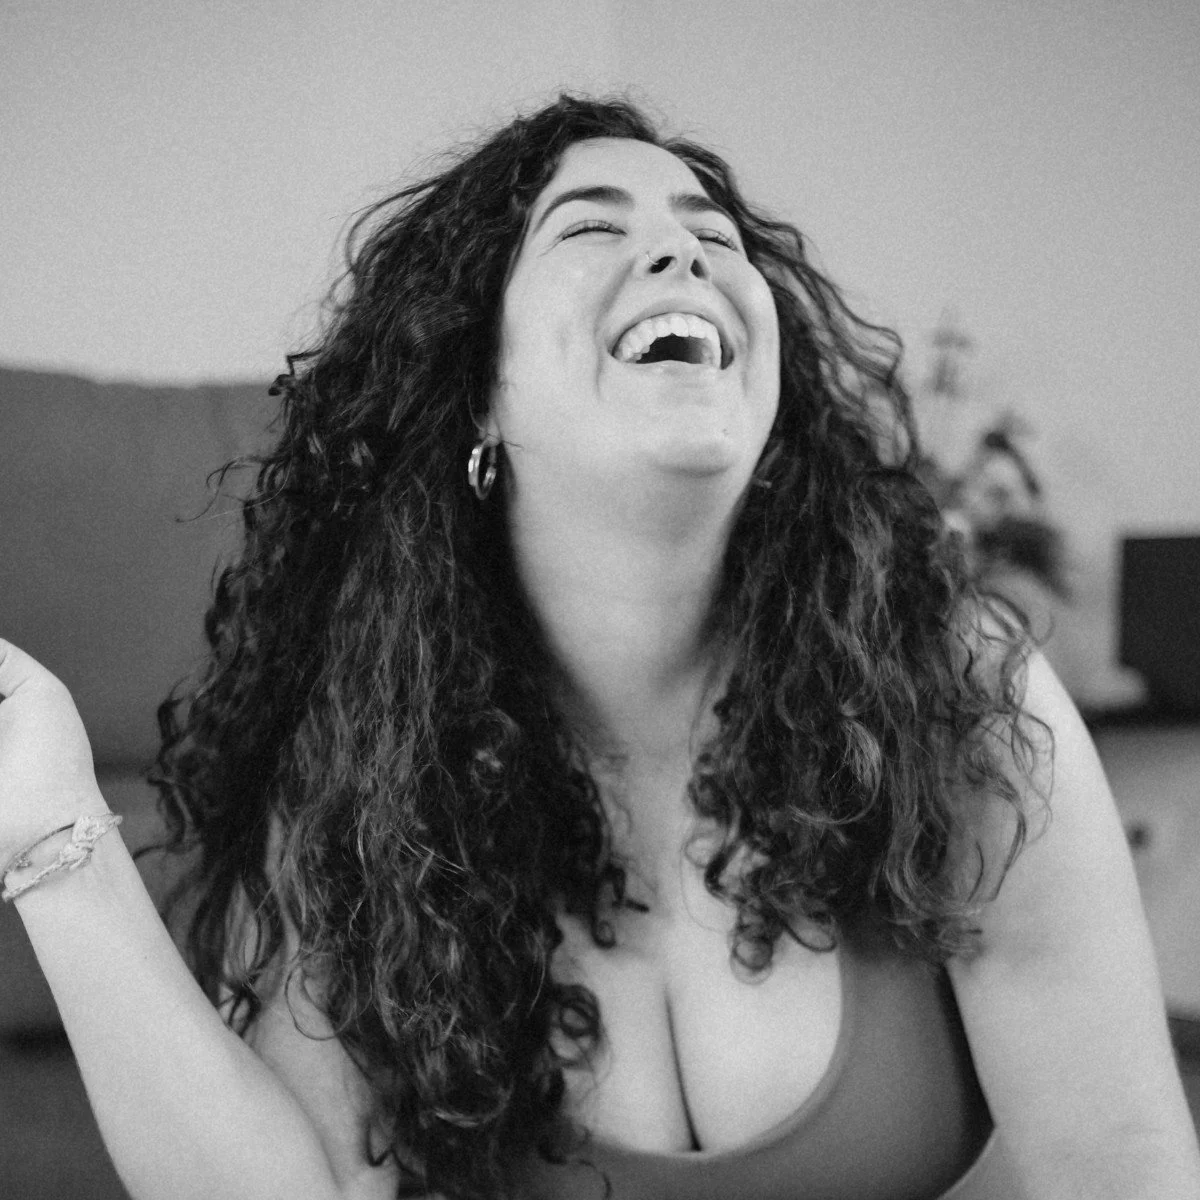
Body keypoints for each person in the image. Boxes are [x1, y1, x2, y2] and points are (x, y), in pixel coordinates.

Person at [1, 93, 1197, 1200]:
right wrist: (56, 834)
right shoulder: (368, 769)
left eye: (713, 233)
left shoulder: (956, 695)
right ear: (479, 390)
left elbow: (1120, 1160)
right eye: (591, 226)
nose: (686, 253)